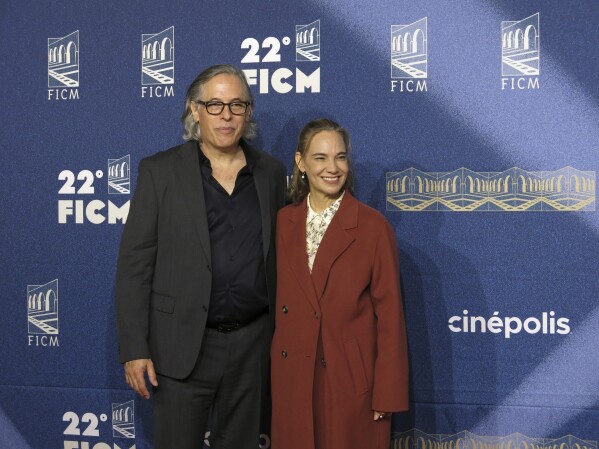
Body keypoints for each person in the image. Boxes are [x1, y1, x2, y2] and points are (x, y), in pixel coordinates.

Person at [115, 64, 286, 449]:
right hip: (180, 347)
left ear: (249, 111)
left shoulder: (272, 174)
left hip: (252, 348)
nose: (226, 115)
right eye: (214, 105)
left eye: (236, 105)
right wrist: (135, 349)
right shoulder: (159, 172)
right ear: (194, 110)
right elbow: (134, 267)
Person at [271, 118, 408, 449]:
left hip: (348, 383)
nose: (332, 168)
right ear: (301, 163)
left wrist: (386, 394)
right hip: (292, 379)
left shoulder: (373, 227)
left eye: (340, 157)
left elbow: (390, 320)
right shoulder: (283, 222)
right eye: (320, 158)